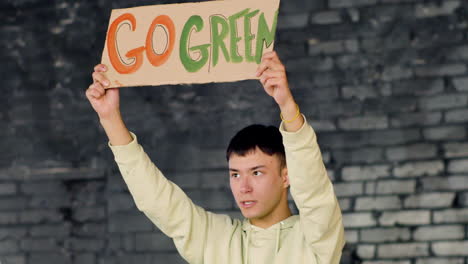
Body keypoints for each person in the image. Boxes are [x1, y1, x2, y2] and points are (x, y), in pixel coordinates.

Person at [86, 51, 345, 264]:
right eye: (235, 174)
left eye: (257, 172)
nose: (243, 188)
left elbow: (313, 192)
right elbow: (158, 202)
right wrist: (110, 119)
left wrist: (287, 105)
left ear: (287, 175)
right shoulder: (217, 241)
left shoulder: (316, 237)